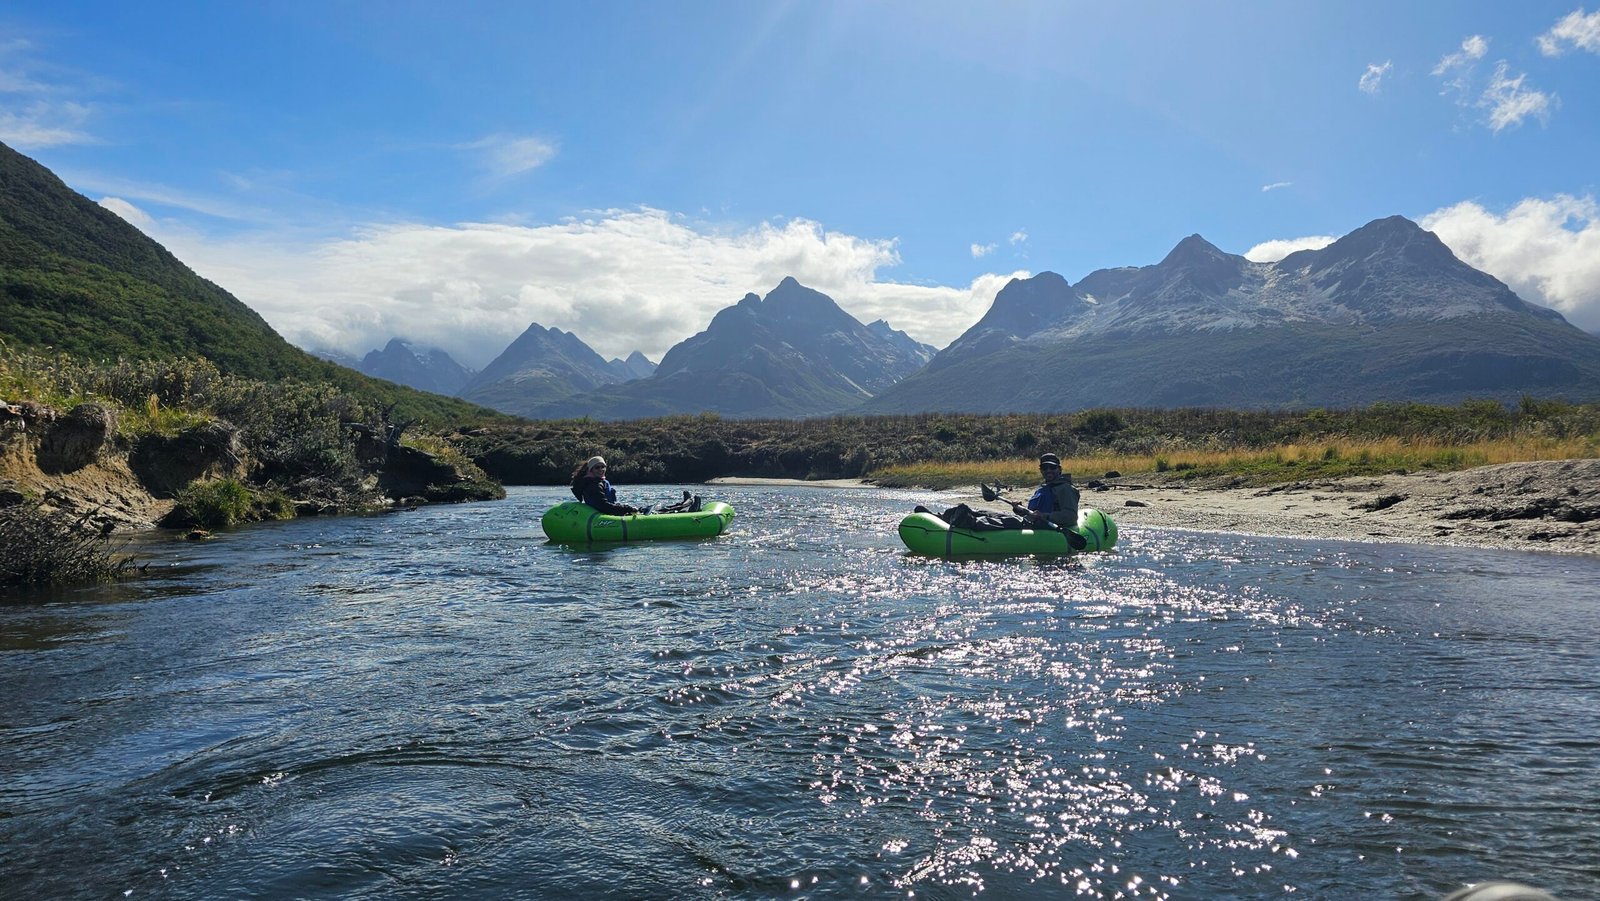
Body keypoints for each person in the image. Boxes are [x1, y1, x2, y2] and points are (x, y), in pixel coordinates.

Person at [1012, 453, 1080, 530]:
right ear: (1041, 470)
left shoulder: (1065, 489)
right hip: (1036, 528)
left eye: (1052, 467)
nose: (1048, 470)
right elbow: (1033, 513)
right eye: (1044, 468)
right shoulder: (1041, 489)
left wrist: (1045, 516)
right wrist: (1021, 510)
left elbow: (1071, 516)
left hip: (1052, 531)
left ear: (1059, 469)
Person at [569, 456, 639, 515]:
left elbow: (608, 505)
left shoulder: (601, 482)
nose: (601, 469)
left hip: (606, 512)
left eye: (603, 467)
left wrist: (628, 509)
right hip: (600, 516)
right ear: (591, 470)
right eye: (597, 467)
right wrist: (627, 509)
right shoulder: (593, 485)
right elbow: (604, 506)